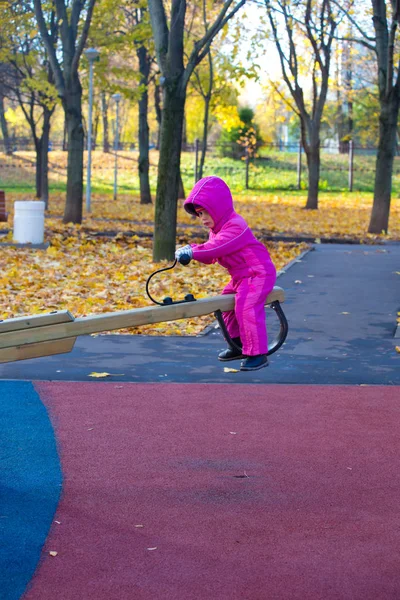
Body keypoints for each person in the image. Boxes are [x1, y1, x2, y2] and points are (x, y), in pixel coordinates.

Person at [175, 176, 276, 372]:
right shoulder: (216, 229)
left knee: (246, 306)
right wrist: (192, 252)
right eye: (199, 214)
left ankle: (257, 353)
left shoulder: (235, 225)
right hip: (241, 276)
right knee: (225, 304)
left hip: (258, 273)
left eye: (205, 212)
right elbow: (211, 255)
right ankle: (238, 344)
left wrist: (192, 251)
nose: (202, 219)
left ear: (218, 208)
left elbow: (215, 248)